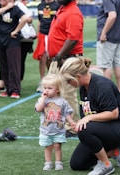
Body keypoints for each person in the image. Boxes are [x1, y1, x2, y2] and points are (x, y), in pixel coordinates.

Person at [59, 57, 120, 175]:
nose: (68, 84)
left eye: (69, 81)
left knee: (84, 130)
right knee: (77, 164)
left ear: (78, 77)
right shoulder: (83, 87)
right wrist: (77, 123)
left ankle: (106, 164)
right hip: (102, 128)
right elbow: (87, 112)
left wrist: (87, 119)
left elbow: (113, 113)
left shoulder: (102, 86)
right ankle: (115, 151)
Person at [47, 0, 83, 137]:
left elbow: (73, 38)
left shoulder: (73, 12)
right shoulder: (63, 9)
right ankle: (58, 123)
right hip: (60, 59)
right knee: (53, 92)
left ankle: (72, 127)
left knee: (67, 94)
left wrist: (59, 56)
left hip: (68, 59)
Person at [0, 0, 34, 93]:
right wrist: (6, 8)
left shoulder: (15, 8)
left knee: (13, 66)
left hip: (12, 42)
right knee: (4, 66)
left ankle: (15, 90)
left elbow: (25, 18)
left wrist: (16, 31)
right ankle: (7, 88)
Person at [35, 73, 76, 171]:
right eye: (45, 88)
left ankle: (58, 162)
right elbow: (38, 109)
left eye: (49, 88)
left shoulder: (62, 101)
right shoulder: (42, 100)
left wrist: (71, 122)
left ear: (57, 89)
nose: (46, 90)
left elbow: (67, 114)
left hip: (58, 130)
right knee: (48, 147)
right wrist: (43, 99)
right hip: (46, 130)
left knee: (57, 146)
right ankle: (48, 162)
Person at [96, 0, 120, 97]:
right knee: (117, 63)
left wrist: (104, 33)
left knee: (106, 65)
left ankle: (107, 91)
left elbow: (112, 15)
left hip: (108, 37)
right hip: (117, 35)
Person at [33, 0, 60, 92]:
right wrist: (37, 34)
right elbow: (40, 21)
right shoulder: (40, 5)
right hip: (43, 34)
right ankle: (43, 81)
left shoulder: (57, 5)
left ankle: (53, 79)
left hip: (54, 34)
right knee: (42, 57)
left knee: (52, 58)